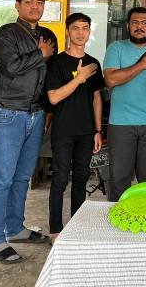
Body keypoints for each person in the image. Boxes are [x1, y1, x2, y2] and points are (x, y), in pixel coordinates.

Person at [0, 0, 57, 264]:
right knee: (1, 178)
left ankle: (15, 229)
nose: (35, 7)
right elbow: (11, 67)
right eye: (29, 2)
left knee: (23, 176)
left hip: (35, 113)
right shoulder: (7, 33)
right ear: (17, 5)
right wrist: (40, 53)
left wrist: (48, 109)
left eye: (40, 2)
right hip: (7, 112)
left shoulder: (47, 36)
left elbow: (48, 76)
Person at [46, 13, 104, 240]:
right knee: (60, 179)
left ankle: (76, 227)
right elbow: (53, 97)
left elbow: (96, 98)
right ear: (68, 31)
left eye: (85, 28)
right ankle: (55, 230)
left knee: (81, 179)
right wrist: (79, 78)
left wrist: (98, 130)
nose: (80, 33)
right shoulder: (56, 62)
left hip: (86, 131)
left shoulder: (94, 63)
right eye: (76, 28)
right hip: (63, 130)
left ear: (89, 32)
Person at [103, 7, 146, 201]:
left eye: (144, 23)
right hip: (121, 123)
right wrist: (141, 65)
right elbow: (111, 79)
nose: (139, 27)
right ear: (128, 25)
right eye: (135, 22)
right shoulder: (116, 48)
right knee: (119, 177)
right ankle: (118, 214)